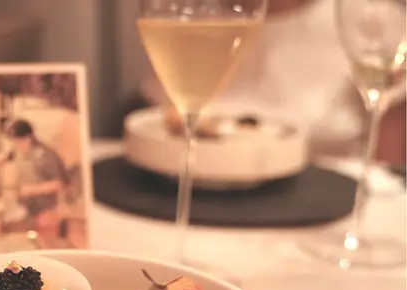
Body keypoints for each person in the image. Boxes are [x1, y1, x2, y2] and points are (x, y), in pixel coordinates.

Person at [140, 0, 406, 166]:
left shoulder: (371, 17)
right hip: (184, 197)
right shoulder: (185, 15)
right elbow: (153, 127)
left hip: (322, 219)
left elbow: (387, 175)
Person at [5, 119, 69, 217]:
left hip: (45, 211)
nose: (15, 145)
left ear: (28, 138)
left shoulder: (45, 156)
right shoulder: (21, 150)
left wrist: (33, 189)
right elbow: (9, 156)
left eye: (17, 141)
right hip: (26, 207)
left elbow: (60, 183)